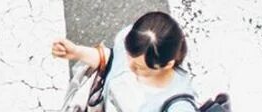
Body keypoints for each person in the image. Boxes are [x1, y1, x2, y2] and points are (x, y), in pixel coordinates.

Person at [50, 13, 198, 110]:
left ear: (167, 64)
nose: (129, 67)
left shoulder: (178, 106)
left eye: (139, 68)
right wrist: (77, 52)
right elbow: (110, 62)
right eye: (128, 57)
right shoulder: (128, 41)